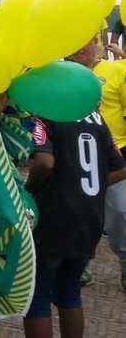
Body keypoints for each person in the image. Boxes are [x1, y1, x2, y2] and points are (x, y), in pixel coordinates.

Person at [24, 112, 126, 337]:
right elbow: (119, 168)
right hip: (88, 220)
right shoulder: (94, 116)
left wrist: (27, 189)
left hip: (52, 218)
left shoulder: (45, 112)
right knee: (69, 291)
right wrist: (85, 187)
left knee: (37, 296)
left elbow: (44, 162)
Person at [63, 37, 126, 292]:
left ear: (98, 42)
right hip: (74, 154)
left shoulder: (117, 70)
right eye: (74, 42)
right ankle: (80, 264)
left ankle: (124, 261)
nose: (79, 48)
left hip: (115, 154)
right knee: (75, 213)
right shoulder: (61, 74)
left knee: (120, 213)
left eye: (86, 41)